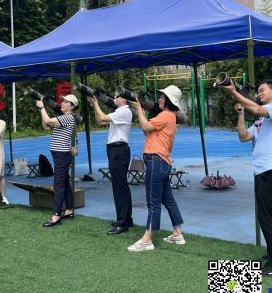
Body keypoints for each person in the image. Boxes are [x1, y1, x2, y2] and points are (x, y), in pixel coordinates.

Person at [223, 79, 272, 275]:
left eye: (263, 90)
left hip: (271, 169)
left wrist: (234, 93)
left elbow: (257, 109)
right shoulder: (262, 120)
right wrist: (240, 113)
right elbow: (244, 137)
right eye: (258, 91)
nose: (259, 94)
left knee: (266, 217)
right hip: (264, 169)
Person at [126, 85, 185, 252]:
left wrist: (139, 108)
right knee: (168, 200)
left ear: (169, 101)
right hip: (162, 162)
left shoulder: (165, 115)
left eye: (162, 97)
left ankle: (147, 240)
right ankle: (177, 233)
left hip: (156, 161)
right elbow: (149, 133)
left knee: (153, 202)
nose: (159, 99)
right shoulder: (170, 117)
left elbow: (145, 127)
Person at [88, 92, 134, 234]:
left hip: (118, 150)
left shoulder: (124, 111)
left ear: (124, 99)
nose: (114, 98)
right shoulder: (119, 111)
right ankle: (126, 219)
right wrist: (94, 105)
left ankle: (122, 223)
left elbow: (102, 117)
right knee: (121, 186)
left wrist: (96, 103)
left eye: (117, 96)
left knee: (119, 188)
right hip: (116, 150)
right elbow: (100, 121)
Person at [37, 93, 79, 227]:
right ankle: (70, 209)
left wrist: (42, 107)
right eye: (63, 101)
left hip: (62, 155)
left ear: (72, 106)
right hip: (59, 155)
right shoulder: (63, 118)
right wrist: (41, 110)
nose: (62, 103)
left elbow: (49, 121)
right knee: (64, 182)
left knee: (58, 185)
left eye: (66, 102)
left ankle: (56, 215)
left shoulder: (68, 117)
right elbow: (46, 126)